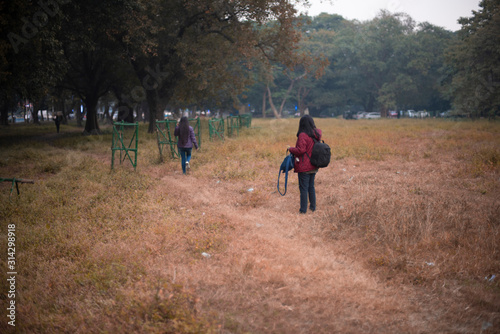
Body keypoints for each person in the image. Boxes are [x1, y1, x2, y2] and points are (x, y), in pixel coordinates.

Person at [288, 115, 322, 214]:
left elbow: (301, 150)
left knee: (303, 188)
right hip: (314, 164)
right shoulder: (316, 134)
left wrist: (290, 149)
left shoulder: (303, 135)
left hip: (304, 166)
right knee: (311, 187)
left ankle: (303, 210)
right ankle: (313, 207)